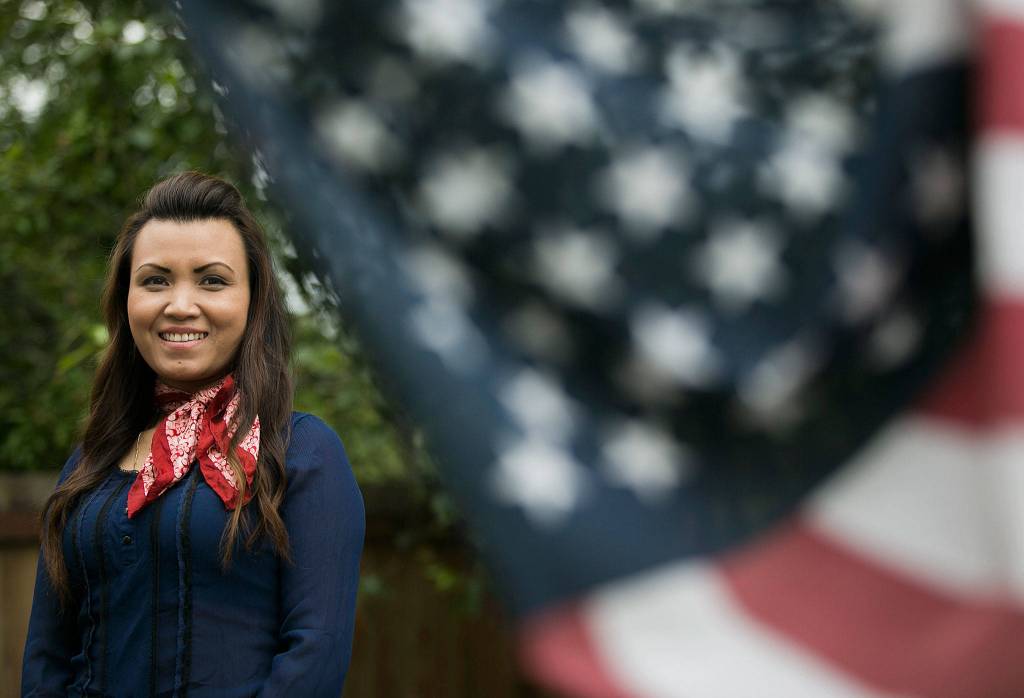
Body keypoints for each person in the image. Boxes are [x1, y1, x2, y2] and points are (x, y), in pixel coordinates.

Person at [21, 171, 365, 697]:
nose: (180, 305)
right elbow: (46, 660)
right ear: (126, 300)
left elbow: (313, 656)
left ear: (253, 302)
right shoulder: (89, 464)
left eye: (212, 280)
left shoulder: (301, 453)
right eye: (155, 280)